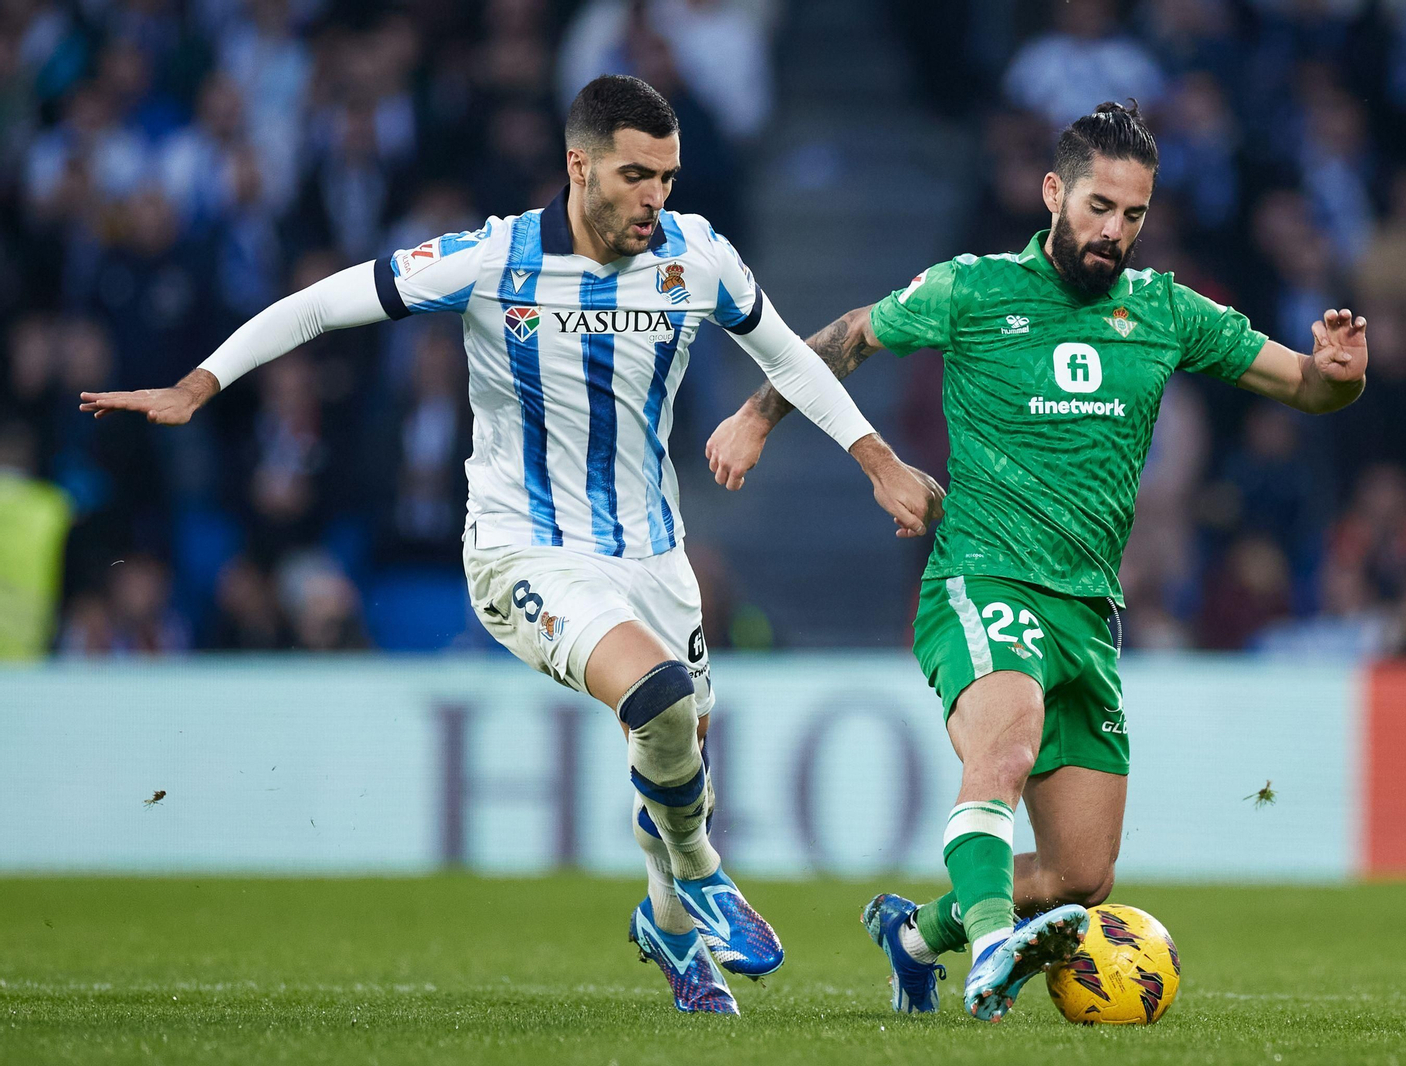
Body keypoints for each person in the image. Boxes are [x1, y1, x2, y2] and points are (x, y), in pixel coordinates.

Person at [80, 74, 942, 1015]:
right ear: (579, 166)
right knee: (654, 698)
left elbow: (786, 354)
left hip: (655, 556)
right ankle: (705, 877)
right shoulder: (492, 258)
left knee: (677, 748)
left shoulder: (699, 258)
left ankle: (669, 927)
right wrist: (202, 384)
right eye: (636, 174)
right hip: (522, 551)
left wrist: (875, 459)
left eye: (669, 175)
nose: (657, 196)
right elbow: (324, 303)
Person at [706, 101, 1368, 1022]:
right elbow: (850, 334)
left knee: (1078, 878)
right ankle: (986, 956)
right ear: (1054, 191)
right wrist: (754, 416)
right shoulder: (973, 290)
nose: (1114, 233)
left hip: (1088, 612)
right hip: (981, 578)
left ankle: (917, 934)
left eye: (1134, 216)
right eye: (1100, 207)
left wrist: (1339, 377)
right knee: (1005, 748)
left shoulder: (1166, 310)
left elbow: (1302, 385)